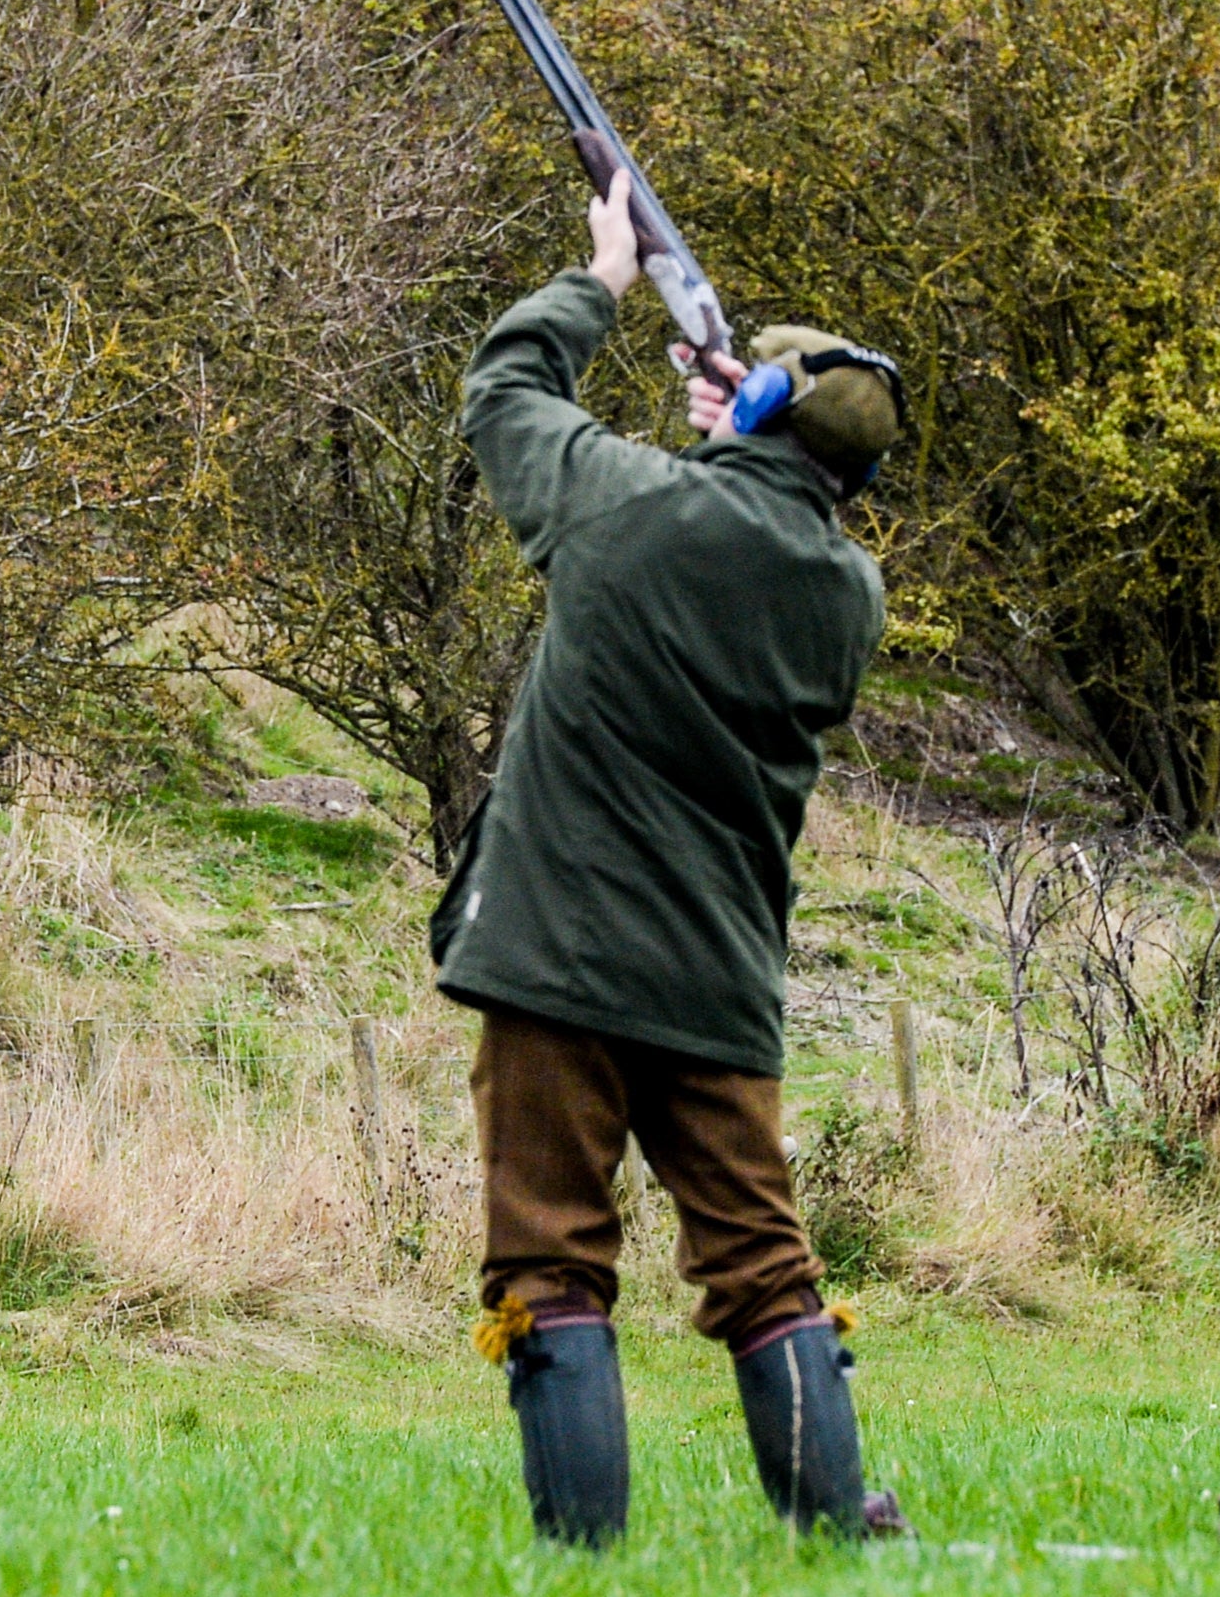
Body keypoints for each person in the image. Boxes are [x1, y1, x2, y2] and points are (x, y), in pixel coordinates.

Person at [432, 168, 907, 1546]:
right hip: (715, 975)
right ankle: (826, 1523)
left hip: (555, 961)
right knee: (762, 1265)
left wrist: (597, 279)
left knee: (549, 1257)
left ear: (749, 414)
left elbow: (503, 393)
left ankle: (580, 1558)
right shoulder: (842, 593)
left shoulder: (626, 510)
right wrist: (732, 431)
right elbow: (746, 517)